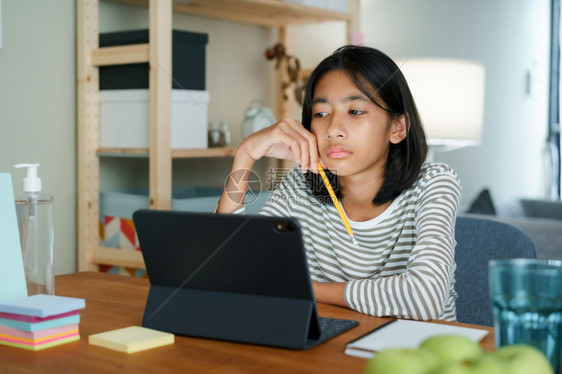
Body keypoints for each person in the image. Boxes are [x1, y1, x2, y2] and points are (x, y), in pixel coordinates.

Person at [217, 45, 460, 322]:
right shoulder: (301, 185)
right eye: (321, 114)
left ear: (397, 128)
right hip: (330, 353)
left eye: (355, 111)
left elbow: (424, 298)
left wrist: (301, 288)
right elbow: (226, 269)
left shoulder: (434, 183)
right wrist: (246, 155)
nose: (333, 129)